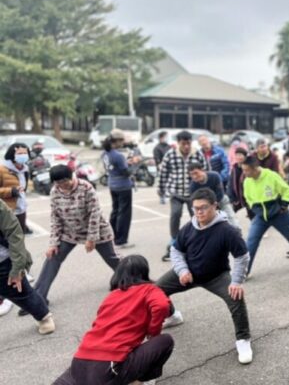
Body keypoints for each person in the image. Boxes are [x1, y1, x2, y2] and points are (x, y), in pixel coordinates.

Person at [157, 188, 253, 364]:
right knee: (156, 291)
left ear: (215, 206)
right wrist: (183, 270)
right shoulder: (189, 227)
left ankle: (243, 339)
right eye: (196, 208)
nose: (199, 212)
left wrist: (237, 281)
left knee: (236, 297)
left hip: (216, 276)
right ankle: (172, 316)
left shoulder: (227, 230)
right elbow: (176, 250)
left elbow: (242, 256)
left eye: (204, 207)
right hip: (189, 274)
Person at [53, 255, 173, 385]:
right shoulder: (150, 289)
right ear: (144, 272)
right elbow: (161, 306)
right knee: (165, 341)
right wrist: (153, 332)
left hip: (79, 362)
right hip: (109, 367)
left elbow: (97, 323)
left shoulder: (112, 296)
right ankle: (141, 380)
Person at [18, 165, 120, 317]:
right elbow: (55, 218)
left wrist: (91, 239)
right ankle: (37, 299)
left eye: (65, 181)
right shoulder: (55, 191)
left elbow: (95, 214)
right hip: (69, 233)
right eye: (58, 183)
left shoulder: (86, 187)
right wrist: (53, 243)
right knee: (52, 258)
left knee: (113, 258)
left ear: (72, 175)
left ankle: (137, 280)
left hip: (97, 231)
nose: (63, 185)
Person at [242, 156, 289, 274]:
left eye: (246, 170)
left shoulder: (271, 176)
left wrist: (284, 206)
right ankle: (245, 271)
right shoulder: (247, 181)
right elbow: (248, 198)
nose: (244, 173)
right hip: (261, 217)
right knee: (251, 242)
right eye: (243, 170)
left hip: (279, 215)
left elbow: (286, 191)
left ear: (254, 168)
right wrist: (254, 209)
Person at [0, 199, 55, 333]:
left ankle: (43, 317)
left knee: (20, 291)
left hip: (3, 260)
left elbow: (14, 233)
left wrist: (17, 267)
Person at [158, 130, 209, 262]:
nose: (186, 146)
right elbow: (163, 172)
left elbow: (206, 170)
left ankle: (199, 241)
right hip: (176, 192)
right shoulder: (170, 154)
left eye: (188, 143)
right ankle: (174, 242)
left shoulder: (197, 153)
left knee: (197, 218)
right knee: (175, 214)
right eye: (183, 143)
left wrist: (206, 191)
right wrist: (161, 189)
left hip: (193, 193)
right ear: (178, 143)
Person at [102, 129, 140, 249]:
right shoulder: (118, 155)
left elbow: (114, 167)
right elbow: (126, 172)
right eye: (122, 140)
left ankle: (112, 237)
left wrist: (126, 162)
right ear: (116, 141)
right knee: (124, 213)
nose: (123, 142)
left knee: (115, 211)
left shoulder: (105, 153)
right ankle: (121, 240)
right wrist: (134, 164)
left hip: (112, 184)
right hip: (123, 186)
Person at [189, 163, 240, 230]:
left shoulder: (214, 176)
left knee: (233, 223)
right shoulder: (193, 185)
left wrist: (213, 206)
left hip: (221, 201)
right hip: (205, 206)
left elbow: (220, 193)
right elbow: (194, 200)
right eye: (192, 174)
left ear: (202, 170)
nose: (194, 176)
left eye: (196, 173)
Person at [1, 142, 32, 234]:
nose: (23, 156)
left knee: (19, 240)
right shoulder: (2, 170)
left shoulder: (25, 169)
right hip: (6, 211)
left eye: (25, 153)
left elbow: (24, 188)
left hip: (21, 210)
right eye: (19, 153)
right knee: (7, 241)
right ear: (12, 154)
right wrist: (11, 191)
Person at [227, 147, 249, 213]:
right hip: (237, 201)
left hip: (247, 200)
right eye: (237, 155)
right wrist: (232, 199)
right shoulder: (234, 169)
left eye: (240, 155)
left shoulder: (248, 168)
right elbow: (230, 184)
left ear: (245, 156)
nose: (238, 157)